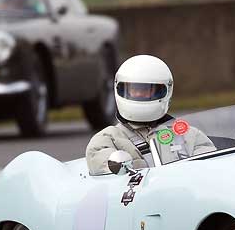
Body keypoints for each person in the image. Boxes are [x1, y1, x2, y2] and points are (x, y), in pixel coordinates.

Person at [85, 55, 215, 176]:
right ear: (119, 89)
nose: (140, 95)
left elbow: (210, 171)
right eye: (135, 90)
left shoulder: (188, 134)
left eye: (146, 91)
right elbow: (104, 167)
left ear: (164, 91)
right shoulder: (107, 138)